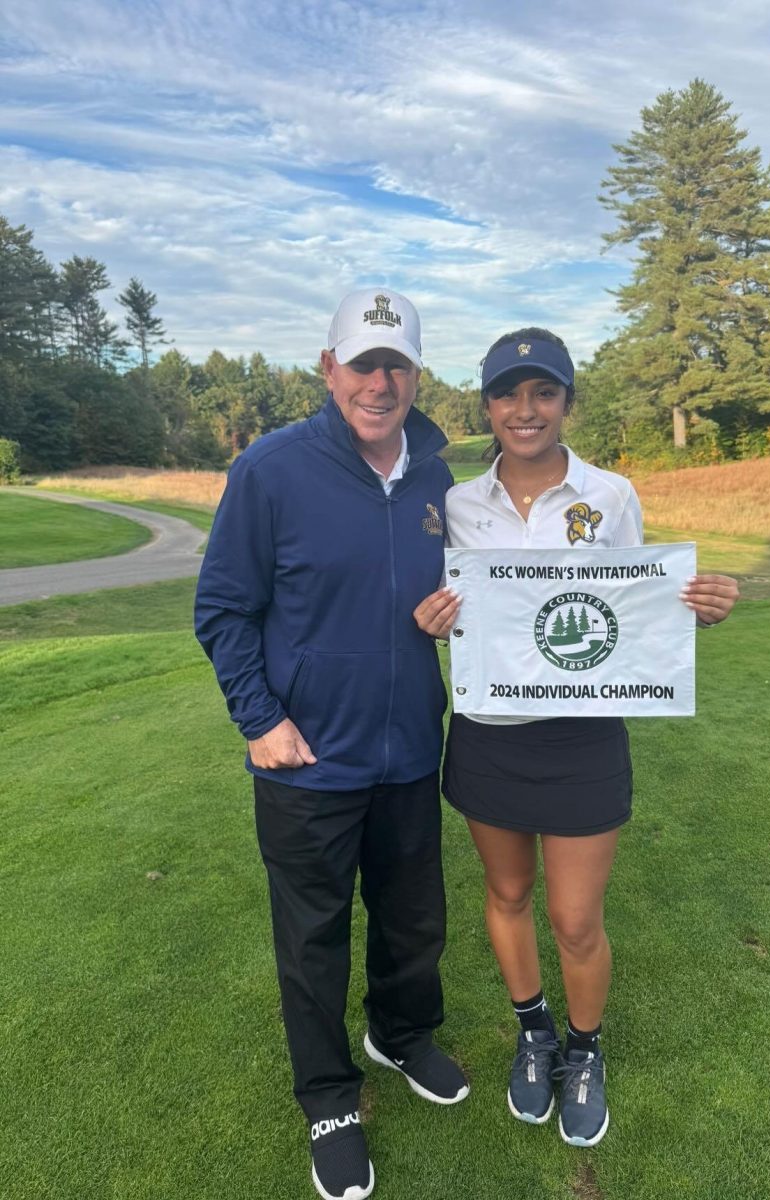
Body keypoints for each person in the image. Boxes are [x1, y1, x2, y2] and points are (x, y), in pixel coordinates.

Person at [414, 328, 739, 1148]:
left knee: (575, 919)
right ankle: (535, 1033)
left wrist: (697, 604)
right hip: (489, 732)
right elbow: (450, 607)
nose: (525, 411)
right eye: (507, 394)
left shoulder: (613, 493)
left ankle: (584, 1052)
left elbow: (635, 605)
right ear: (485, 404)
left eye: (544, 393)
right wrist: (431, 622)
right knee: (509, 896)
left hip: (584, 737)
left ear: (567, 401)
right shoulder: (456, 503)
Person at [195, 289, 468, 1200]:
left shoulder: (441, 478)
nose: (379, 382)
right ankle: (329, 1098)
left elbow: (499, 590)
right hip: (307, 758)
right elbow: (224, 608)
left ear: (418, 374)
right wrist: (259, 719)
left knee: (413, 917)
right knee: (313, 937)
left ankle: (400, 1032)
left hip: (408, 750)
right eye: (362, 363)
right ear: (328, 369)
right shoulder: (271, 470)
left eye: (396, 364)